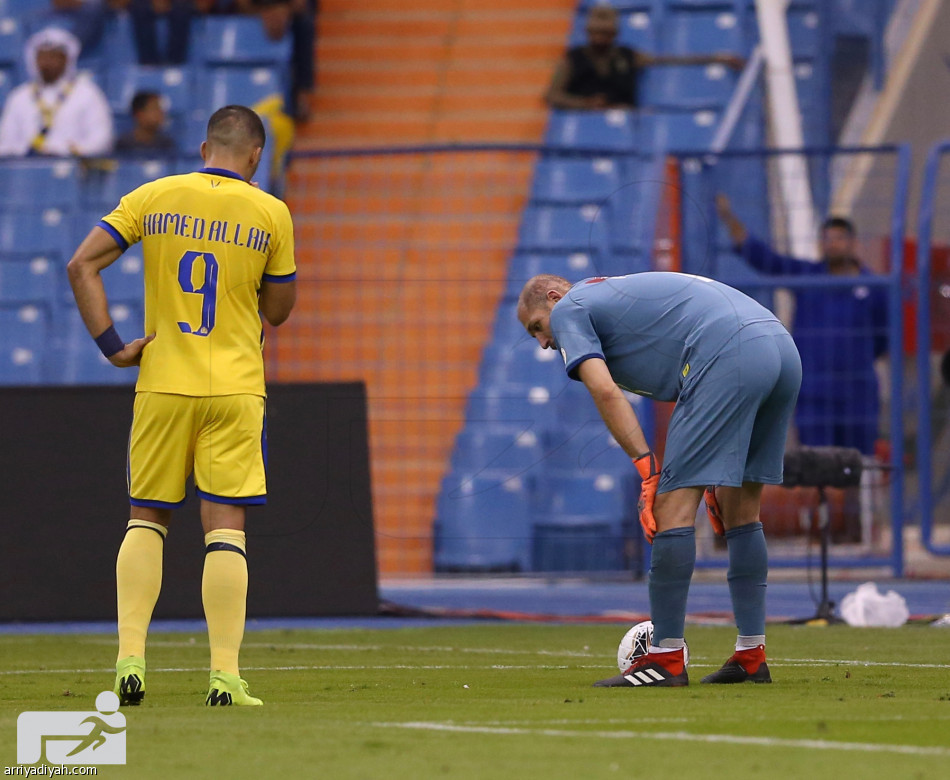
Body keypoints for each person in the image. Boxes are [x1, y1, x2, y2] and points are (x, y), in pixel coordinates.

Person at [67, 105, 297, 706]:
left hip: (165, 381)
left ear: (203, 149)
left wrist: (116, 349)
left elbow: (81, 263)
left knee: (147, 517)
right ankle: (224, 675)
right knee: (226, 526)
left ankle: (129, 663)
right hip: (237, 388)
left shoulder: (153, 196)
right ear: (255, 156)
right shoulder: (271, 212)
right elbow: (278, 311)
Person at [517, 272, 801, 687]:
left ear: (555, 298)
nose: (544, 342)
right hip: (779, 346)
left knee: (670, 508)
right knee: (742, 510)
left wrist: (648, 470)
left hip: (727, 349)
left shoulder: (571, 309)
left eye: (538, 327)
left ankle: (665, 659)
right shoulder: (612, 296)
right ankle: (751, 655)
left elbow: (606, 392)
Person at [716, 194, 889, 457]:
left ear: (853, 243)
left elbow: (883, 338)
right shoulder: (808, 277)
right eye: (826, 239)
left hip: (858, 394)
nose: (832, 244)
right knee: (815, 465)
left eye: (839, 238)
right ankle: (822, 501)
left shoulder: (875, 289)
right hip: (814, 394)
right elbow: (767, 261)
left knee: (856, 466)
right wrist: (729, 219)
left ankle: (854, 500)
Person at [545, 5, 743, 110]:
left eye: (605, 34)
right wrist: (585, 105)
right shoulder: (572, 59)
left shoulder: (629, 56)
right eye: (595, 33)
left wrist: (717, 58)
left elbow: (669, 60)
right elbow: (552, 96)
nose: (599, 38)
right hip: (584, 125)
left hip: (625, 123)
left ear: (613, 34)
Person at [0, 27, 113, 157]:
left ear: (67, 60)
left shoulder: (88, 94)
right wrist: (30, 152)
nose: (47, 63)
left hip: (73, 167)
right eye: (42, 57)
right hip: (25, 168)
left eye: (54, 57)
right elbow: (5, 142)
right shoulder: (19, 97)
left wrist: (63, 150)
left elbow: (102, 141)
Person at [114, 90, 177, 156]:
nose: (160, 113)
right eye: (155, 109)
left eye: (161, 109)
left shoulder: (166, 144)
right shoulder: (124, 144)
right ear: (139, 114)